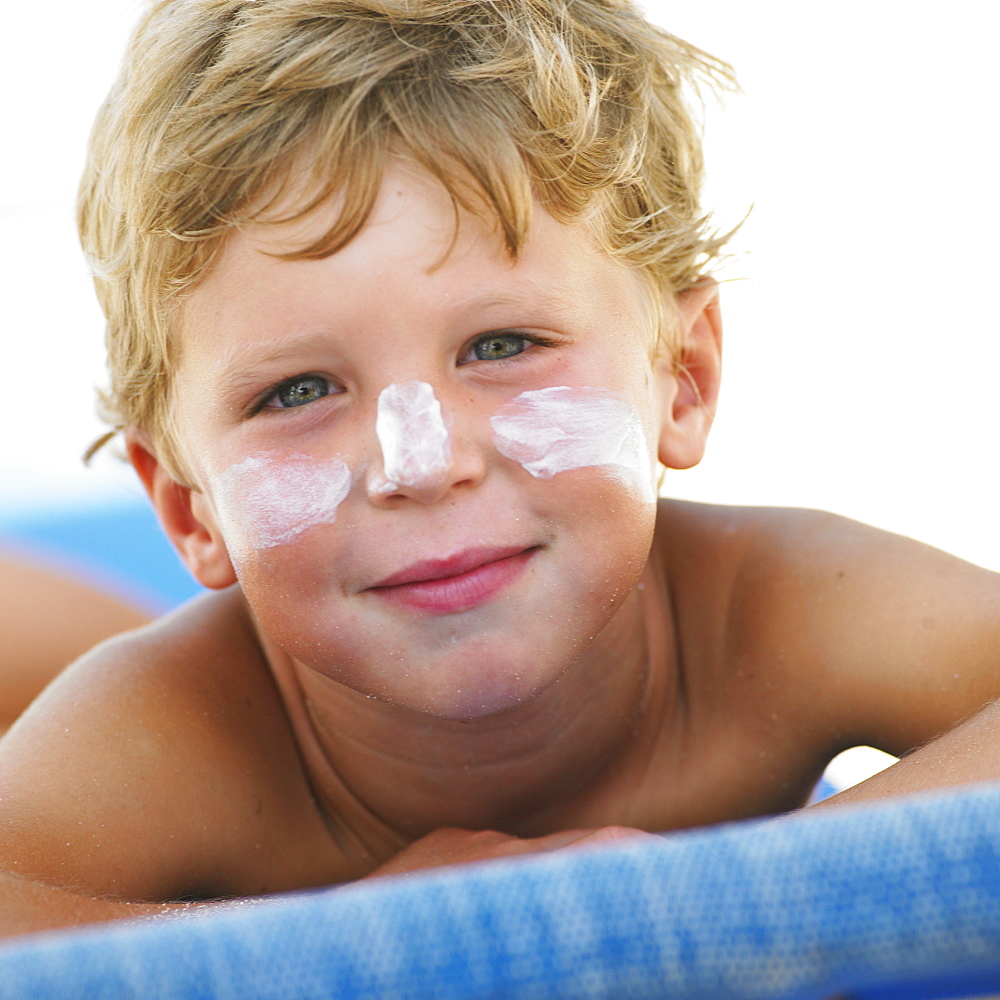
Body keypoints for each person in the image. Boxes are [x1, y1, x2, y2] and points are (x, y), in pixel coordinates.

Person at [1, 0, 998, 937]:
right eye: (298, 392)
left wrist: (700, 893)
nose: (421, 462)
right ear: (190, 510)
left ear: (680, 380)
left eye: (502, 345)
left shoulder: (768, 610)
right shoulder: (180, 730)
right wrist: (349, 939)